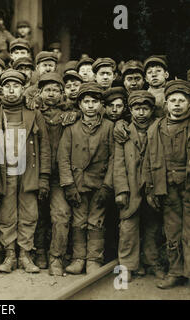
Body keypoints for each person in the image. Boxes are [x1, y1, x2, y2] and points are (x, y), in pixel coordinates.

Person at [0, 69, 51, 273]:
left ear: (22, 88)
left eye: (16, 86)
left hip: (28, 171)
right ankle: (10, 254)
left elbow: (44, 146)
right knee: (7, 212)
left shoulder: (33, 113)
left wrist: (44, 176)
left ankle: (25, 254)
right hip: (5, 171)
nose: (11, 90)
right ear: (1, 89)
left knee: (29, 212)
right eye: (7, 86)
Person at [58, 82, 115, 275]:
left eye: (94, 102)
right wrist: (68, 185)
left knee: (96, 221)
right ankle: (78, 258)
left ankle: (94, 259)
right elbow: (63, 157)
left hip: (99, 183)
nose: (90, 106)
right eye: (86, 102)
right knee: (78, 221)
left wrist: (107, 186)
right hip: (77, 183)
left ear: (101, 105)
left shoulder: (109, 126)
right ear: (80, 105)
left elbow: (115, 158)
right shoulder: (71, 127)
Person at [113, 90, 165, 282]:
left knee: (153, 226)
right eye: (136, 108)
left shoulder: (160, 128)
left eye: (145, 108)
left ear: (152, 110)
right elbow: (118, 163)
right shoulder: (123, 131)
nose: (141, 113)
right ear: (130, 110)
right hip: (131, 187)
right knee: (128, 227)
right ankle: (127, 266)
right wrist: (121, 190)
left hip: (152, 186)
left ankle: (151, 261)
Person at [143, 79, 190, 289]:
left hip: (189, 186)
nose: (177, 104)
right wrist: (151, 189)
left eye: (182, 100)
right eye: (173, 100)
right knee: (173, 231)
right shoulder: (157, 127)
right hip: (168, 187)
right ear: (166, 104)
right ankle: (175, 271)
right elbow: (149, 162)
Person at [32, 73, 70, 272]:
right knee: (37, 214)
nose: (51, 94)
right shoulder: (32, 112)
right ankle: (39, 252)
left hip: (60, 176)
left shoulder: (70, 114)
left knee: (61, 214)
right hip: (35, 173)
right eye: (47, 90)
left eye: (56, 90)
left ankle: (56, 256)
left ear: (62, 93)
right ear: (40, 93)